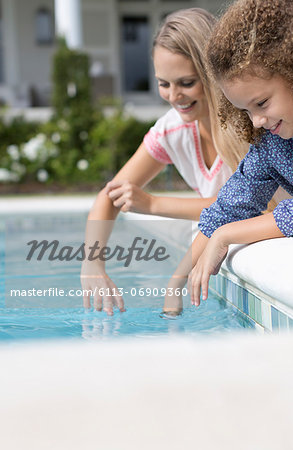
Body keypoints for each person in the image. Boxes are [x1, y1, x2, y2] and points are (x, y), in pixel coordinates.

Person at [81, 8, 249, 315]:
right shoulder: (173, 129)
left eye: (186, 82)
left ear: (211, 72)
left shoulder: (250, 122)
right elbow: (110, 196)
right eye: (163, 83)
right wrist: (93, 264)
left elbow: (252, 206)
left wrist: (154, 204)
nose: (174, 96)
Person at [166, 0, 293, 309]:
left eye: (261, 103)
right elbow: (228, 207)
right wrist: (176, 284)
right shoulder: (273, 143)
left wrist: (226, 236)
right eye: (245, 110)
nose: (256, 121)